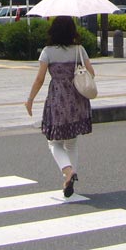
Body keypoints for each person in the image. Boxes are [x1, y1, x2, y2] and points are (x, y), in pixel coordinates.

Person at [25, 16, 95, 198]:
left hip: (57, 98)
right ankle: (69, 179)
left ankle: (68, 171)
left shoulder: (48, 52)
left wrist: (30, 99)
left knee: (53, 142)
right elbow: (91, 73)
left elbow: (39, 79)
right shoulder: (79, 49)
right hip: (77, 99)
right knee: (72, 142)